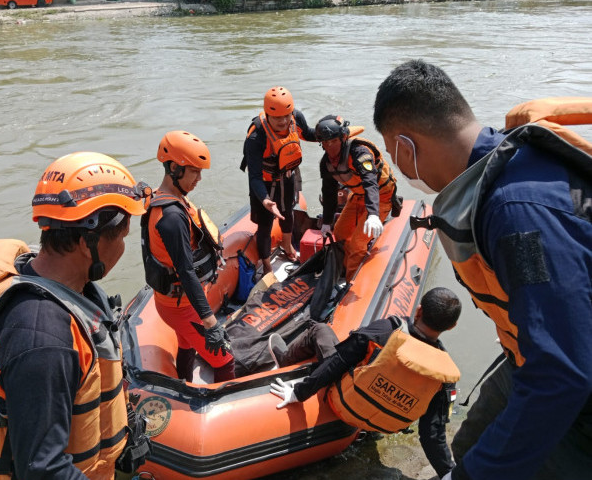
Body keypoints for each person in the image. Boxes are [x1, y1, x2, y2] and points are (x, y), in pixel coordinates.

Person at [372, 59, 592, 479]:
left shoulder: (518, 212)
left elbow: (563, 374)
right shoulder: (498, 165)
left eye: (392, 152)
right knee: (469, 444)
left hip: (575, 388)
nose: (398, 167)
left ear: (405, 145)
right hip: (525, 357)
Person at [0, 152, 151, 478]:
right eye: (122, 237)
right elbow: (43, 470)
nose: (124, 248)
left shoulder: (63, 284)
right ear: (87, 242)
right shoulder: (44, 339)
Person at [269, 287, 462, 479]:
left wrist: (298, 392)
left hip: (343, 402)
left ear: (419, 310)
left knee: (320, 330)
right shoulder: (443, 375)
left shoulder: (385, 331)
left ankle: (285, 359)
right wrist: (448, 473)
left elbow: (338, 361)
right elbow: (432, 435)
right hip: (382, 424)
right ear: (451, 327)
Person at [142, 130, 235, 383]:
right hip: (181, 306)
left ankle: (185, 384)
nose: (199, 178)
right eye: (194, 171)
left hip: (173, 302)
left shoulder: (164, 200)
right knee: (225, 361)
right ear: (174, 167)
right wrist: (211, 323)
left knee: (186, 345)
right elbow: (186, 271)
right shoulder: (172, 218)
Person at [241, 86, 316, 274]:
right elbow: (254, 176)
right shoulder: (256, 136)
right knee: (265, 224)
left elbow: (307, 133)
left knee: (288, 212)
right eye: (277, 118)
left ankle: (288, 245)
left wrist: (331, 132)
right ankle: (266, 265)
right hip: (264, 184)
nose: (283, 121)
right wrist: (266, 200)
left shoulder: (296, 117)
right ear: (267, 115)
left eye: (286, 116)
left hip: (288, 176)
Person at [315, 114, 399, 281]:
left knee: (357, 244)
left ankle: (351, 281)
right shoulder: (327, 163)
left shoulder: (360, 152)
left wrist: (373, 214)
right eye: (325, 143)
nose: (330, 146)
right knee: (338, 233)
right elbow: (329, 193)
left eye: (333, 141)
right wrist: (326, 222)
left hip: (380, 197)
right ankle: (342, 269)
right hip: (358, 196)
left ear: (343, 138)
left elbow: (370, 183)